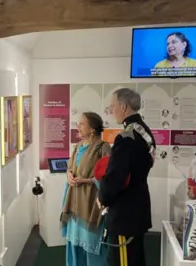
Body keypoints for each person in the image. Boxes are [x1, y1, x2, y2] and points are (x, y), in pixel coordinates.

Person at [98, 88, 155, 266]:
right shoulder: (143, 130)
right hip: (138, 204)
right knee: (134, 258)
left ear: (123, 106)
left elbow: (115, 177)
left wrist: (102, 197)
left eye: (112, 106)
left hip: (125, 212)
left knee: (123, 261)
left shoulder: (126, 137)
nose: (111, 110)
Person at [61, 112, 111, 266]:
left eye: (82, 124)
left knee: (90, 242)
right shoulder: (78, 146)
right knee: (74, 241)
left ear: (92, 128)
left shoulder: (103, 148)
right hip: (73, 199)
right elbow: (70, 166)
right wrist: (69, 174)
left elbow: (108, 175)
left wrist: (87, 180)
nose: (78, 127)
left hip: (90, 203)